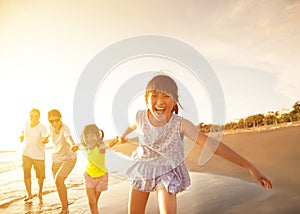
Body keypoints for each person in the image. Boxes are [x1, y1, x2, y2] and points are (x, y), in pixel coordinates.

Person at [118, 74, 272, 214]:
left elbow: (213, 145)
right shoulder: (140, 117)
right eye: (154, 96)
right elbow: (131, 126)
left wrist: (250, 167)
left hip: (167, 172)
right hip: (143, 167)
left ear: (174, 102)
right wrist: (123, 136)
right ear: (146, 99)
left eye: (166, 96)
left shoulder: (181, 124)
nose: (159, 101)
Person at [80, 124, 118, 214]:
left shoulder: (101, 148)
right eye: (87, 136)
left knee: (94, 201)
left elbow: (109, 144)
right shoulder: (86, 147)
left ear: (98, 137)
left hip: (101, 177)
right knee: (92, 201)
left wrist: (116, 139)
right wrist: (73, 147)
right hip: (89, 176)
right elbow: (77, 147)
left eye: (92, 135)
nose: (89, 139)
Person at [47, 109, 79, 214]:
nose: (55, 123)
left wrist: (73, 144)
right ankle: (65, 205)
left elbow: (68, 137)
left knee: (59, 180)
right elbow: (48, 135)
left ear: (60, 119)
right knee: (59, 183)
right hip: (56, 159)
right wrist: (45, 139)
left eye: (57, 120)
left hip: (69, 158)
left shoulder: (65, 128)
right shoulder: (50, 128)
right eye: (51, 121)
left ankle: (64, 209)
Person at [19, 108, 49, 202]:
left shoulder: (42, 127)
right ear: (29, 116)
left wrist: (45, 140)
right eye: (32, 115)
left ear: (39, 116)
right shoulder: (26, 124)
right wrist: (22, 136)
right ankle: (29, 194)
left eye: (36, 115)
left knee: (40, 176)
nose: (34, 117)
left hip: (39, 155)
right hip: (26, 153)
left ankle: (40, 192)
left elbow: (45, 137)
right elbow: (23, 131)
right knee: (26, 173)